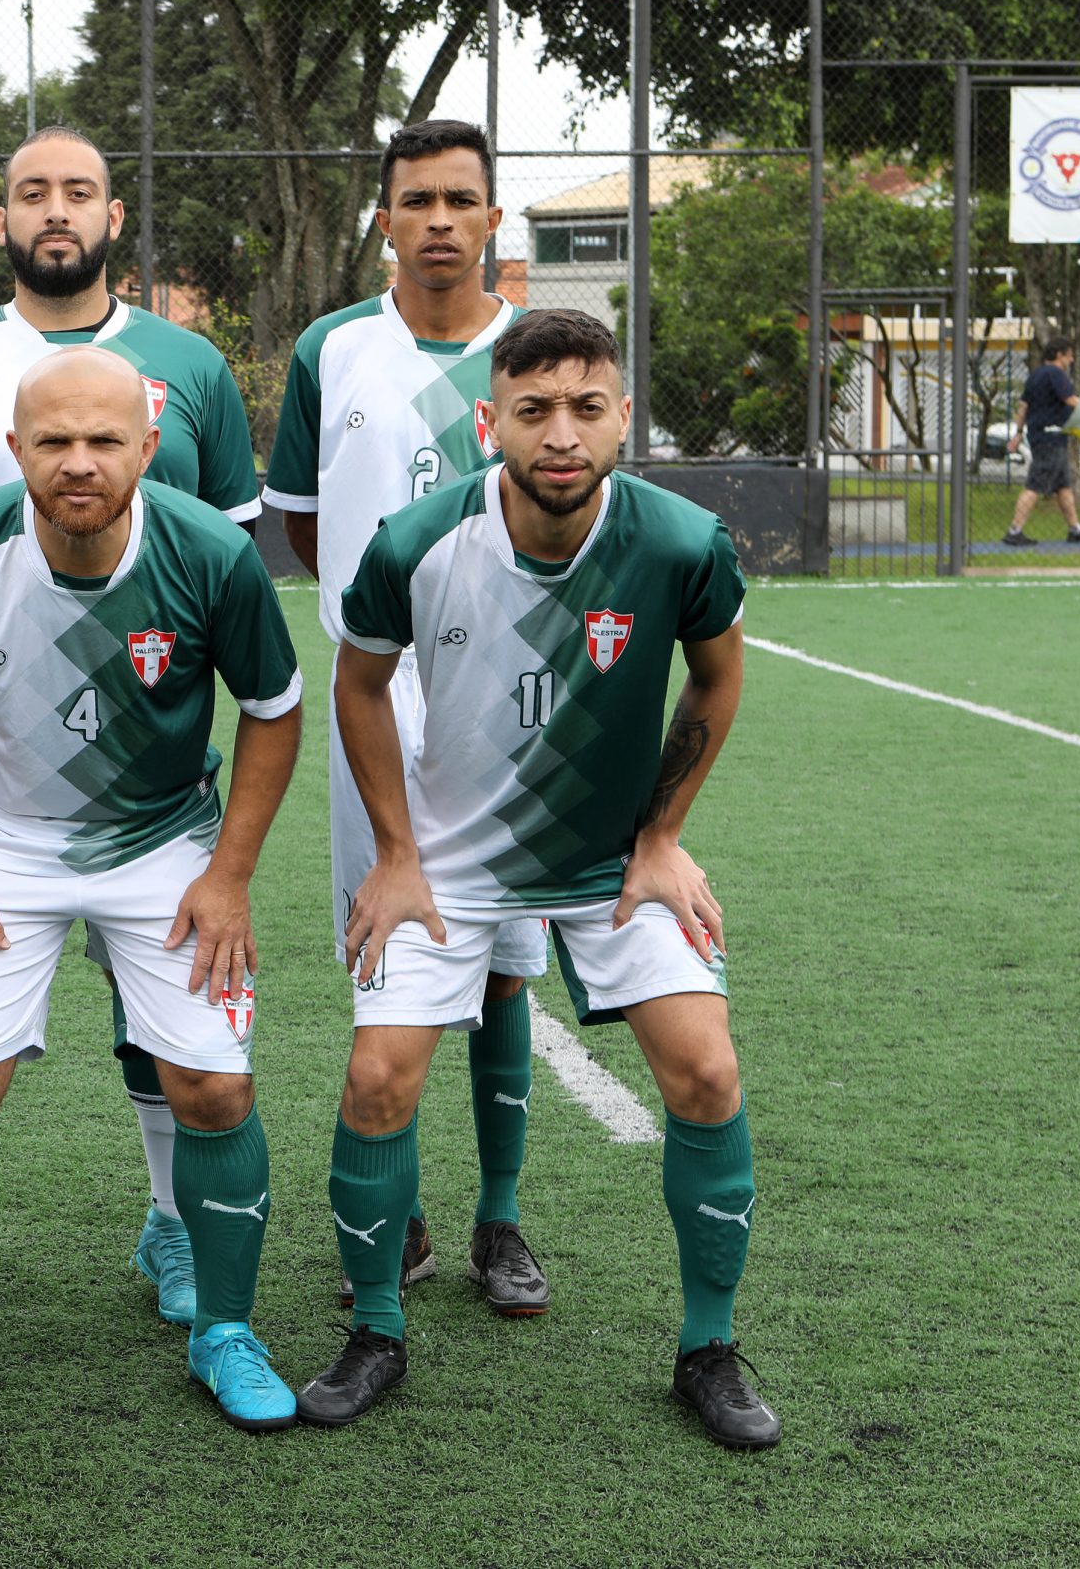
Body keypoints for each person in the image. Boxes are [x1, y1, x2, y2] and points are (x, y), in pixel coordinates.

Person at [306, 308, 778, 1451]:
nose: (559, 435)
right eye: (533, 411)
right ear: (490, 424)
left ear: (622, 419)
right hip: (450, 865)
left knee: (706, 1071)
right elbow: (359, 688)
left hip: (610, 863)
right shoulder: (415, 541)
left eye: (584, 408)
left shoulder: (678, 542)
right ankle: (376, 1330)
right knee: (377, 1080)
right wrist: (397, 856)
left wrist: (661, 837)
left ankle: (706, 1349)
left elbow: (715, 683)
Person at [0, 124, 263, 1330]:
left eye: (78, 192)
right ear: (1, 223)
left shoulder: (186, 364)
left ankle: (172, 1232)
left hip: (155, 756)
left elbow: (228, 549)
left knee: (169, 1035)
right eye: (30, 193)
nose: (54, 210)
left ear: (113, 217)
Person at [0, 347, 305, 1433]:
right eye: (53, 441)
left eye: (103, 441)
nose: (78, 463)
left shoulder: (209, 555)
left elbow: (274, 709)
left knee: (214, 1092)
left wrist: (228, 876)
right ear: (14, 449)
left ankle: (225, 1330)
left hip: (161, 839)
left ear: (147, 450)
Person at [258, 118, 557, 1322]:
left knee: (500, 976)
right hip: (374, 698)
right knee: (387, 955)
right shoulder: (332, 348)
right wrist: (385, 621)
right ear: (382, 219)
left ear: (494, 220)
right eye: (416, 201)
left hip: (518, 706)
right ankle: (406, 1210)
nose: (439, 221)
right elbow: (302, 521)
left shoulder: (531, 351)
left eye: (461, 201)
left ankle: (500, 1219)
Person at [1003, 339, 1080, 546]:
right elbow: (1070, 399)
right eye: (1069, 355)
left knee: (1063, 485)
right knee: (1035, 485)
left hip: (1044, 436)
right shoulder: (1056, 374)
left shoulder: (1036, 375)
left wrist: (1018, 432)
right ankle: (1014, 530)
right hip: (1050, 438)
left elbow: (1023, 406)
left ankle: (1075, 529)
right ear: (1059, 355)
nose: (1071, 360)